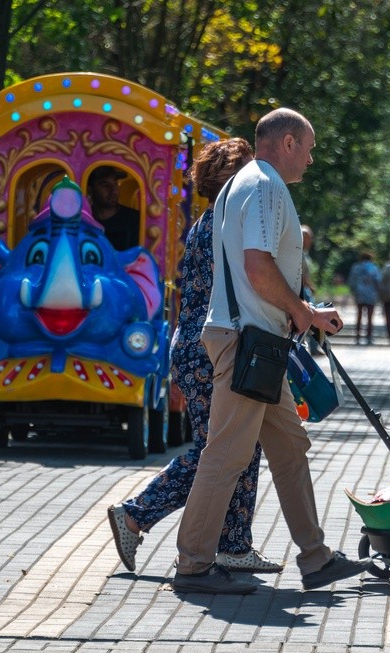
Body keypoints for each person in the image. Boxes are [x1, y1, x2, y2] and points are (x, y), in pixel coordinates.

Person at [171, 108, 372, 595]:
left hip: (256, 343)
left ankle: (316, 557)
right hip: (248, 342)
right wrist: (304, 312)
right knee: (226, 454)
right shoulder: (263, 186)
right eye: (309, 147)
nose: (311, 157)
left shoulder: (240, 185)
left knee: (290, 446)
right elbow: (258, 267)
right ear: (286, 142)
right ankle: (193, 565)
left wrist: (297, 315)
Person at [106, 139, 284, 575]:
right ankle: (136, 514)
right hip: (211, 351)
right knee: (221, 451)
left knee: (237, 448)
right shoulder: (229, 225)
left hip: (198, 349)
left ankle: (234, 546)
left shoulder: (211, 222)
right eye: (248, 172)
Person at [87, 165, 141, 250]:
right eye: (106, 186)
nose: (114, 191)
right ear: (90, 190)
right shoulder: (86, 219)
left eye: (115, 184)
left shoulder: (135, 220)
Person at [346, 251, 382, 345]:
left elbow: (351, 281)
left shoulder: (356, 267)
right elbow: (378, 281)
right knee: (370, 317)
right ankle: (369, 337)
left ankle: (357, 336)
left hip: (359, 294)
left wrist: (353, 291)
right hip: (371, 294)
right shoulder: (374, 267)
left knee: (359, 315)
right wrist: (379, 292)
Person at [301, 224, 323, 355]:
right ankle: (313, 348)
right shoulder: (298, 252)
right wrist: (309, 285)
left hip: (306, 289)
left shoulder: (305, 253)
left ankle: (314, 347)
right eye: (308, 237)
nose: (310, 241)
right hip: (303, 290)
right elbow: (301, 274)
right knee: (314, 317)